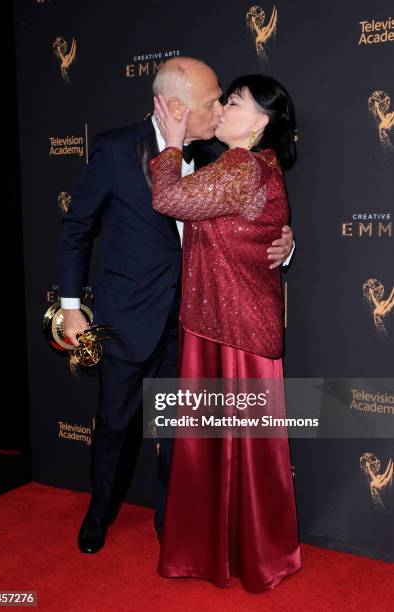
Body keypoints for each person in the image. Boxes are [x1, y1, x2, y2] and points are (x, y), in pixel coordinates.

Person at [58, 58, 294, 554]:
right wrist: (72, 306)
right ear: (177, 109)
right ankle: (99, 514)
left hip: (192, 323)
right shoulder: (117, 149)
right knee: (117, 424)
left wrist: (285, 242)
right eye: (213, 102)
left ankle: (175, 521)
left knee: (182, 431)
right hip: (128, 318)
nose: (219, 108)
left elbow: (254, 217)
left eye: (226, 101)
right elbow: (77, 229)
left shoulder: (220, 155)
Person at [150, 74, 301, 593]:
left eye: (233, 103)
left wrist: (170, 145)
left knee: (236, 452)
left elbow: (169, 197)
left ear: (260, 123)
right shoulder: (255, 167)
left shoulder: (241, 167)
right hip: (225, 326)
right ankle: (245, 551)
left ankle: (246, 553)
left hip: (233, 336)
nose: (221, 110)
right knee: (229, 450)